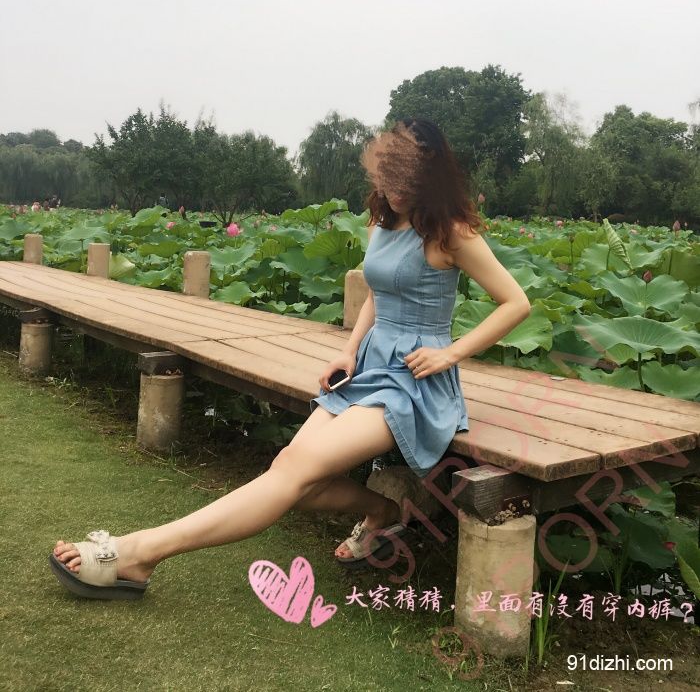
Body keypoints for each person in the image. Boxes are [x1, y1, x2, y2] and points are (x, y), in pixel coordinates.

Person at [49, 117, 531, 599]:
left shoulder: (450, 232)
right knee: (293, 471)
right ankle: (384, 512)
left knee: (293, 474)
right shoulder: (381, 222)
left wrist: (450, 353)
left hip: (414, 383)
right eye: (387, 180)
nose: (395, 192)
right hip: (369, 367)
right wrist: (348, 351)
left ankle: (140, 553)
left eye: (406, 182)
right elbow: (377, 295)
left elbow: (516, 303)